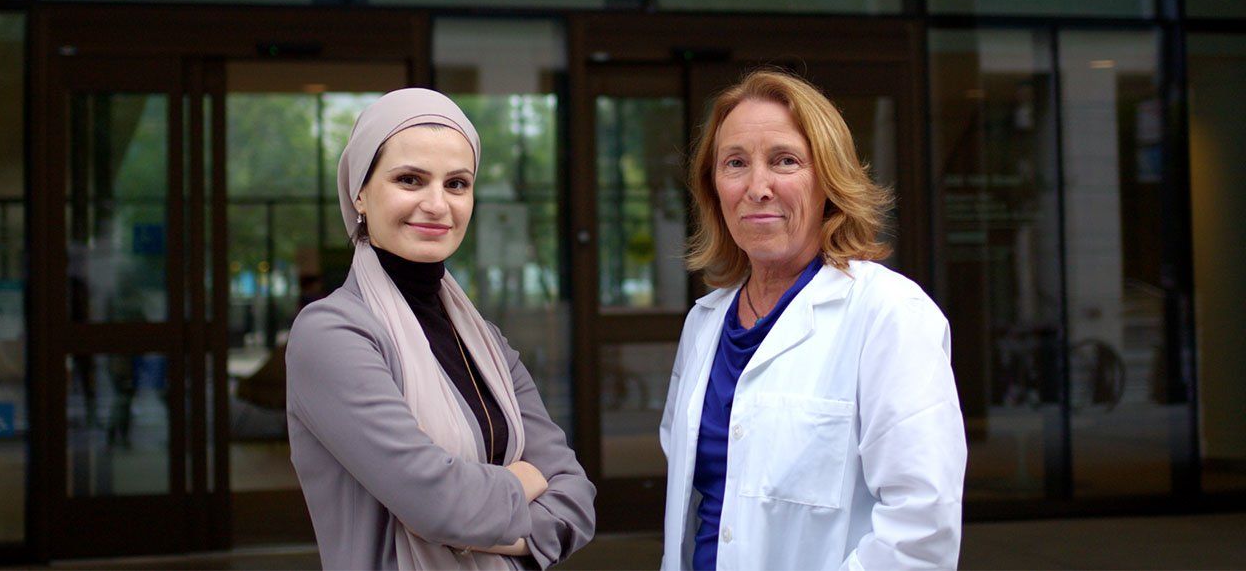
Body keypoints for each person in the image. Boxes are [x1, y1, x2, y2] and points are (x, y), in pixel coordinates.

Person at [660, 70, 966, 570]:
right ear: (713, 188)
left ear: (828, 177)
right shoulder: (705, 323)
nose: (758, 187)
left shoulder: (889, 314)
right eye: (735, 163)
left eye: (784, 161)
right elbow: (698, 502)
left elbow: (921, 530)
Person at [286, 88, 595, 570]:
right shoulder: (332, 334)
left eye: (457, 184)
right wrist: (525, 482)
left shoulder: (485, 342)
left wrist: (478, 516)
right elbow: (440, 506)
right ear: (360, 193)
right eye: (410, 180)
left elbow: (575, 498)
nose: (437, 204)